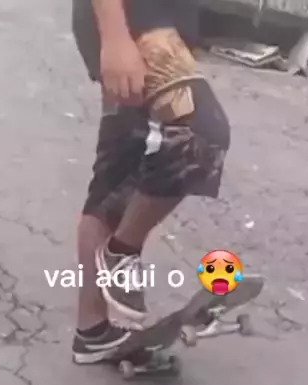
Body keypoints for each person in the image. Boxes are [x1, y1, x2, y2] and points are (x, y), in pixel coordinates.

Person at [71, 0, 231, 364]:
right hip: (135, 19)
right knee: (201, 133)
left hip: (155, 19)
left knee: (119, 172)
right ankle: (119, 253)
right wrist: (115, 36)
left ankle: (93, 332)